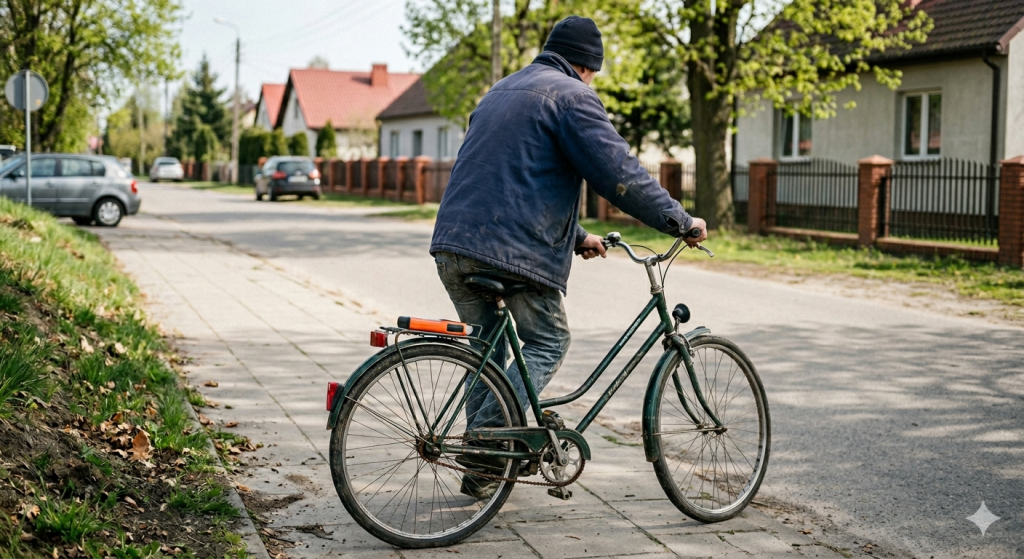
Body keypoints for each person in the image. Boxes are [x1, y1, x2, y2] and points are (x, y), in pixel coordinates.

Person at [430, 15, 707, 498]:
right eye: (595, 73)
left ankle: (484, 471)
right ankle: (482, 447)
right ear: (588, 66)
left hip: (455, 243)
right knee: (548, 341)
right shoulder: (573, 96)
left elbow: (509, 177)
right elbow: (618, 173)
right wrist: (679, 221)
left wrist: (576, 234)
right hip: (507, 252)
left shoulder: (501, 91)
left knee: (490, 353)